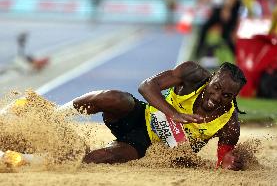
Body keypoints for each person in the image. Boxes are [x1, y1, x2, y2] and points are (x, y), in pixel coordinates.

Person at [59, 61, 247, 171]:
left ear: (234, 97)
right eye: (216, 87)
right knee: (113, 98)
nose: (216, 97)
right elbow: (146, 86)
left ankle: (40, 159)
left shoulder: (229, 125)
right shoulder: (193, 75)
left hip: (147, 147)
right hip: (141, 116)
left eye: (226, 96)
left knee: (98, 158)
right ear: (212, 77)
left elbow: (223, 162)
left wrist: (228, 162)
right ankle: (54, 114)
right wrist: (174, 114)